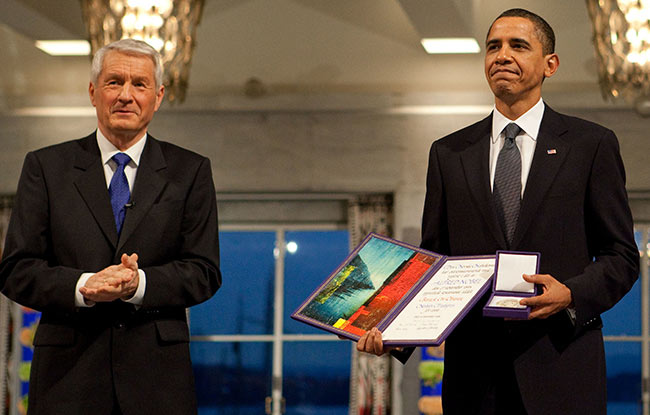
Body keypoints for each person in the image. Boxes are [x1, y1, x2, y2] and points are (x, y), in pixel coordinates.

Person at [357, 8, 639, 415]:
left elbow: (621, 256)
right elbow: (434, 261)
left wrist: (572, 293)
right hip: (474, 378)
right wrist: (395, 329)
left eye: (518, 46)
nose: (502, 55)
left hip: (562, 368)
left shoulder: (590, 145)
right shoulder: (449, 153)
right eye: (493, 46)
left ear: (550, 65)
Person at [0, 39, 221, 414]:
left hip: (157, 382)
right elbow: (16, 270)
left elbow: (203, 272)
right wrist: (83, 286)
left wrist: (138, 285)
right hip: (66, 380)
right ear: (92, 92)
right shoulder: (46, 167)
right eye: (114, 82)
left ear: (159, 96)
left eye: (139, 84)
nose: (125, 95)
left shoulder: (190, 171)